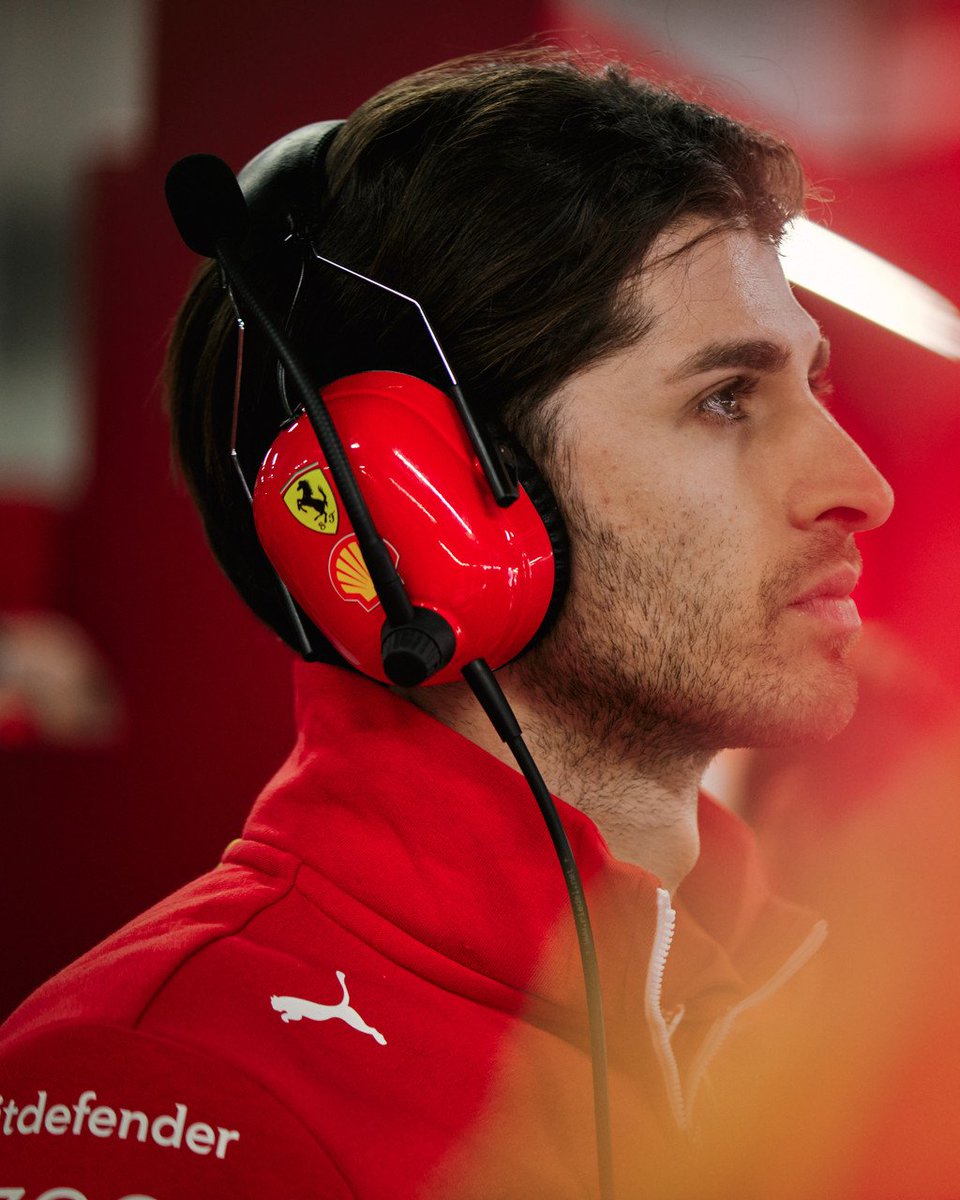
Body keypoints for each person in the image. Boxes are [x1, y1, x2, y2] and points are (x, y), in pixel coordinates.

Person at [0, 47, 893, 1199]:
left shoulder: (830, 1019)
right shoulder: (160, 1091)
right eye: (726, 398)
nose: (860, 485)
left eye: (813, 388)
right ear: (419, 511)